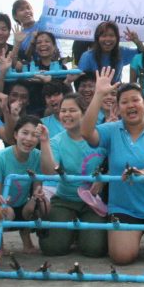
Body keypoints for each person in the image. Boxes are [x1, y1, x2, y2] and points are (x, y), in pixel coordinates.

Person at [81, 69, 144, 266]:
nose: (130, 106)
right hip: (124, 206)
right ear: (118, 108)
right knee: (122, 258)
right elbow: (86, 132)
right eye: (124, 102)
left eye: (135, 100)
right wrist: (98, 95)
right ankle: (136, 236)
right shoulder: (111, 131)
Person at [38, 94, 110, 257]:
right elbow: (49, 171)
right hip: (65, 199)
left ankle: (79, 232)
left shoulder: (101, 134)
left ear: (84, 113)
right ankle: (69, 230)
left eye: (72, 110)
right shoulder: (56, 141)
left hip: (93, 202)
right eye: (63, 111)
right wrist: (44, 142)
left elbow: (117, 162)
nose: (66, 115)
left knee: (95, 250)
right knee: (52, 248)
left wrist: (104, 179)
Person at [0, 114, 45, 253]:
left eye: (34, 135)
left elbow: (37, 186)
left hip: (21, 203)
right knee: (7, 212)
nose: (29, 139)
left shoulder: (38, 156)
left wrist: (35, 198)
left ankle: (27, 243)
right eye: (24, 133)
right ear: (15, 134)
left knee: (34, 207)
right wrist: (3, 203)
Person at [18, 30, 72, 116]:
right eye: (39, 42)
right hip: (34, 111)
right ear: (35, 48)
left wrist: (49, 80)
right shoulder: (30, 67)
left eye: (47, 41)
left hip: (57, 111)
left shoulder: (62, 67)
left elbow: (67, 92)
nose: (43, 44)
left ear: (54, 46)